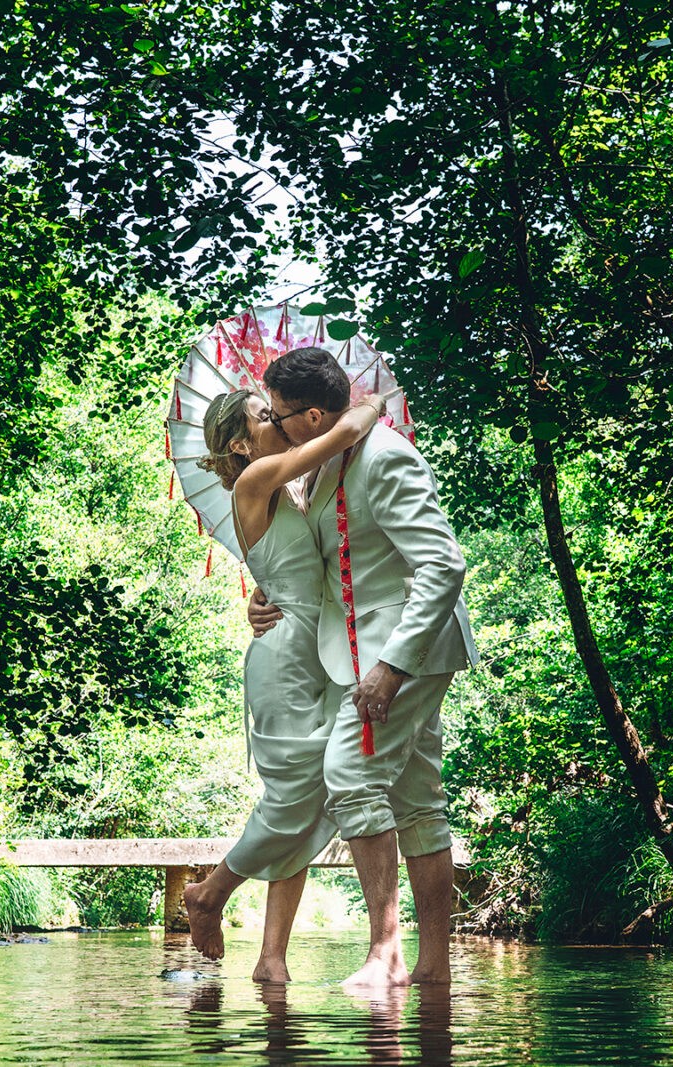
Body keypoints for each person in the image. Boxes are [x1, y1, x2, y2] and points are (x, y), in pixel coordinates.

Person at [250, 346, 475, 987]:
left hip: (403, 652)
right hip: (360, 652)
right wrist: (262, 596)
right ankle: (432, 970)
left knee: (347, 775)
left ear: (313, 415)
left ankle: (386, 951)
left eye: (279, 412)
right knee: (417, 801)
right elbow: (329, 566)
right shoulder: (325, 468)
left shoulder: (384, 457)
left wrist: (392, 666)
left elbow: (443, 565)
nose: (273, 421)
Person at [181, 385, 387, 981]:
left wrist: (262, 590)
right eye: (265, 417)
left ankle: (272, 958)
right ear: (242, 443)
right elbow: (342, 435)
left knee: (309, 798)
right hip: (285, 662)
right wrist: (367, 406)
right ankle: (211, 893)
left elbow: (301, 565)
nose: (277, 421)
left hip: (319, 653)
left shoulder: (282, 489)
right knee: (292, 799)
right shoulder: (256, 478)